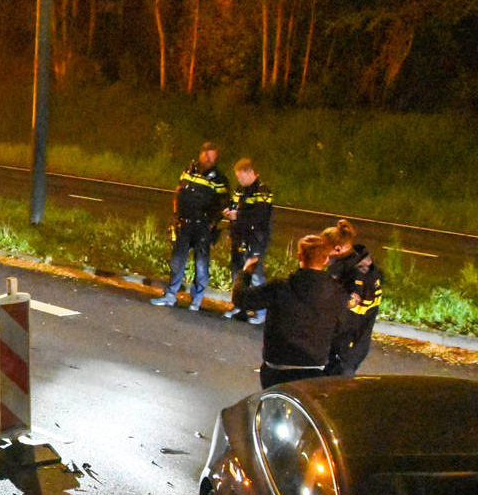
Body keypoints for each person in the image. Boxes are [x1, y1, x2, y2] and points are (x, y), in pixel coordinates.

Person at [233, 233, 354, 389]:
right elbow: (342, 332)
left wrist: (245, 273)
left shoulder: (280, 287)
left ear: (299, 256)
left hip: (277, 367)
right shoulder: (338, 295)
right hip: (313, 370)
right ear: (326, 259)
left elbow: (241, 299)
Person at [151, 141, 232, 311]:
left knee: (201, 265)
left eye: (212, 155)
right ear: (201, 154)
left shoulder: (220, 179)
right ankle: (170, 295)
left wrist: (212, 223)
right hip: (184, 223)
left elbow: (223, 205)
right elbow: (178, 192)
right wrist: (176, 216)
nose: (208, 158)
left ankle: (196, 301)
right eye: (205, 154)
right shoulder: (189, 171)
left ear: (216, 157)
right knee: (177, 262)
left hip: (203, 227)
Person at [322, 219, 383, 376]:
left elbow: (341, 307)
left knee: (330, 388)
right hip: (357, 345)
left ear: (338, 249)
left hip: (342, 348)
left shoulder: (348, 274)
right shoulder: (367, 267)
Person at [225, 157, 274, 325]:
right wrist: (229, 212)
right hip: (239, 236)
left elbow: (259, 216)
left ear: (251, 172)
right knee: (237, 273)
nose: (239, 180)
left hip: (256, 238)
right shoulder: (240, 189)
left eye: (241, 176)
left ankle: (261, 312)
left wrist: (238, 215)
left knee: (255, 275)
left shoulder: (263, 191)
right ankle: (239, 306)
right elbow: (233, 205)